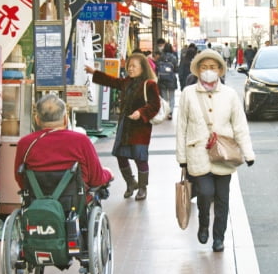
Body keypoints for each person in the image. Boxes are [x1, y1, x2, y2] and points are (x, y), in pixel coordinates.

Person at [176, 49, 255, 252]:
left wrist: (248, 153)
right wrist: (182, 157)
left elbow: (239, 125)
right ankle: (203, 224)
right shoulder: (188, 93)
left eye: (212, 67)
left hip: (224, 155)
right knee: (204, 192)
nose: (208, 71)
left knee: (222, 198)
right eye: (204, 67)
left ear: (220, 70)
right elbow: (181, 127)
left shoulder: (229, 95)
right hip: (197, 154)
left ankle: (218, 237)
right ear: (197, 70)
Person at [14, 94, 113, 209]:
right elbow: (96, 179)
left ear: (37, 119)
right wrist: (108, 173)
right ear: (66, 119)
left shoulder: (25, 143)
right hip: (74, 205)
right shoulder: (81, 141)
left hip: (36, 203)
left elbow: (20, 178)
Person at [84, 53, 161, 201]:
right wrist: (94, 72)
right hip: (125, 125)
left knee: (140, 157)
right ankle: (131, 183)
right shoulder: (127, 82)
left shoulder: (149, 84)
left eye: (134, 66)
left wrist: (140, 113)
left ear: (142, 68)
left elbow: (154, 105)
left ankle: (142, 188)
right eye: (129, 66)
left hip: (140, 128)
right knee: (120, 155)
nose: (130, 69)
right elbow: (112, 81)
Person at [157, 43, 179, 120]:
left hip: (162, 79)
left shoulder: (161, 57)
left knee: (164, 97)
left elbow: (157, 68)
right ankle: (170, 112)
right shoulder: (173, 57)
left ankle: (165, 112)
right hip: (171, 79)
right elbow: (176, 69)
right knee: (172, 97)